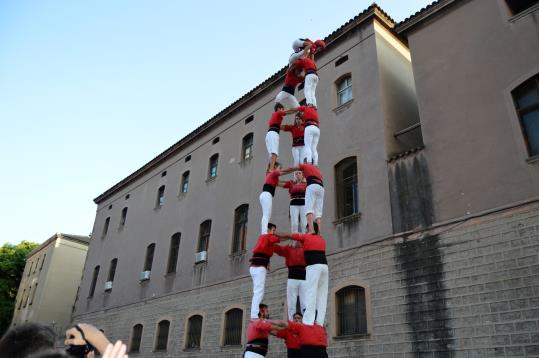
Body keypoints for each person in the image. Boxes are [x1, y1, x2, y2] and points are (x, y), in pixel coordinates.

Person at [279, 223, 328, 326]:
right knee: (322, 295)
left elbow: (289, 235)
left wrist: (274, 236)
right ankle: (319, 322)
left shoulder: (306, 237)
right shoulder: (321, 239)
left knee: (311, 294)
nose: (305, 232)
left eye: (306, 230)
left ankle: (308, 323)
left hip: (313, 267)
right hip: (324, 267)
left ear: (309, 230)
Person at [249, 223, 282, 320]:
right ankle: (254, 316)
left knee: (258, 292)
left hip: (255, 267)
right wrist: (291, 236)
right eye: (273, 230)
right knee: (258, 292)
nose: (274, 233)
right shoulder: (267, 237)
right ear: (267, 230)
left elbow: (265, 253)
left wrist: (268, 264)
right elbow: (279, 238)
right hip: (259, 267)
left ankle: (256, 314)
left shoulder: (264, 239)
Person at [282, 163, 324, 234]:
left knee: (308, 210)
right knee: (318, 213)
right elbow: (321, 176)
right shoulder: (316, 169)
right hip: (321, 187)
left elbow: (290, 168)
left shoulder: (305, 166)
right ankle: (319, 232)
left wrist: (279, 172)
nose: (298, 174)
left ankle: (311, 230)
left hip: (312, 186)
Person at [273, 242, 307, 320]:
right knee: (291, 303)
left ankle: (306, 323)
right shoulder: (288, 248)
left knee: (305, 304)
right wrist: (270, 240)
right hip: (293, 277)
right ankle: (292, 322)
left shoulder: (305, 248)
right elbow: (278, 249)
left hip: (303, 278)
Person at [293, 40, 325, 108]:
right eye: (320, 48)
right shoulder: (311, 61)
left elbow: (296, 66)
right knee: (312, 92)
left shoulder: (303, 59)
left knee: (307, 90)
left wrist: (296, 71)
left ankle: (309, 104)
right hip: (315, 76)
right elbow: (313, 60)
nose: (319, 50)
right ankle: (314, 105)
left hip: (309, 75)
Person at [265, 104, 296, 171]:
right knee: (274, 153)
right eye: (282, 109)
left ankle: (269, 169)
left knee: (271, 155)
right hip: (273, 133)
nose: (283, 110)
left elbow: (279, 126)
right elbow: (287, 112)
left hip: (269, 134)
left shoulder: (274, 116)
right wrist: (295, 110)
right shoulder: (278, 113)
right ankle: (271, 170)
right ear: (279, 109)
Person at [259, 162, 282, 235]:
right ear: (275, 167)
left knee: (268, 215)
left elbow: (280, 183)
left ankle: (265, 231)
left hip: (266, 195)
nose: (280, 169)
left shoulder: (273, 176)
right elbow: (284, 172)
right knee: (266, 215)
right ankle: (264, 233)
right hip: (266, 194)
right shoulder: (272, 173)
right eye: (279, 167)